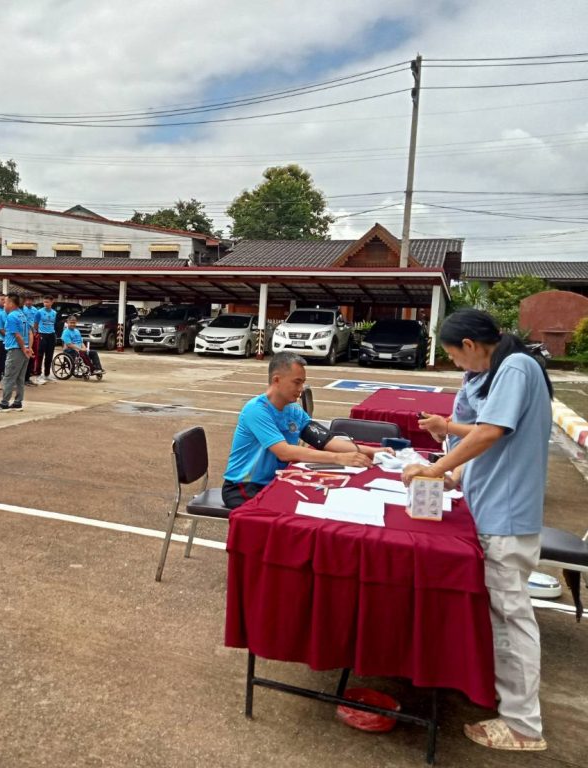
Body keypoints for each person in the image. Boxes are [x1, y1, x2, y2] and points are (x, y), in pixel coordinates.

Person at [402, 310, 552, 752]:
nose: (456, 365)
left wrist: (434, 469)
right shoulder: (502, 371)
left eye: (453, 356)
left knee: (510, 619)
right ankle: (513, 705)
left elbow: (489, 433)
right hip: (496, 512)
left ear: (470, 344)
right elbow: (487, 443)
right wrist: (453, 478)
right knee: (504, 616)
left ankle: (523, 725)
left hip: (507, 517)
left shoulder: (516, 367)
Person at [221, 352, 377, 507]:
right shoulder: (256, 410)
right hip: (244, 486)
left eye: (302, 383)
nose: (301, 389)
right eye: (297, 382)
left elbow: (325, 440)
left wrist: (373, 451)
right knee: (295, 510)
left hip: (275, 481)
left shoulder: (294, 410)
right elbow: (284, 452)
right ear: (276, 380)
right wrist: (339, 458)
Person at [0, 293, 33, 413]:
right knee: (20, 378)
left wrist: (23, 348)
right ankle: (18, 402)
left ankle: (4, 403)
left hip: (16, 350)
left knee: (9, 377)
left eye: (6, 302)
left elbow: (17, 335)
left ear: (11, 304)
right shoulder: (22, 315)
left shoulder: (12, 316)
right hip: (23, 349)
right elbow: (29, 333)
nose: (4, 304)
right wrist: (28, 347)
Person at [33, 296, 57, 384]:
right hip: (42, 334)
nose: (45, 304)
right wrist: (38, 333)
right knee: (40, 355)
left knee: (49, 355)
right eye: (44, 302)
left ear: (52, 302)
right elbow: (35, 324)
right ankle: (38, 375)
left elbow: (53, 324)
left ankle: (47, 375)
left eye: (47, 302)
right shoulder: (39, 312)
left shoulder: (54, 313)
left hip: (51, 335)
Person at [21, 295, 39, 384]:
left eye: (30, 300)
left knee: (32, 355)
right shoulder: (22, 310)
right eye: (27, 300)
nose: (28, 302)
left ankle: (28, 376)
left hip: (33, 334)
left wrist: (35, 331)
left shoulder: (35, 310)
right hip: (24, 334)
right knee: (23, 356)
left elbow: (36, 322)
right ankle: (22, 378)